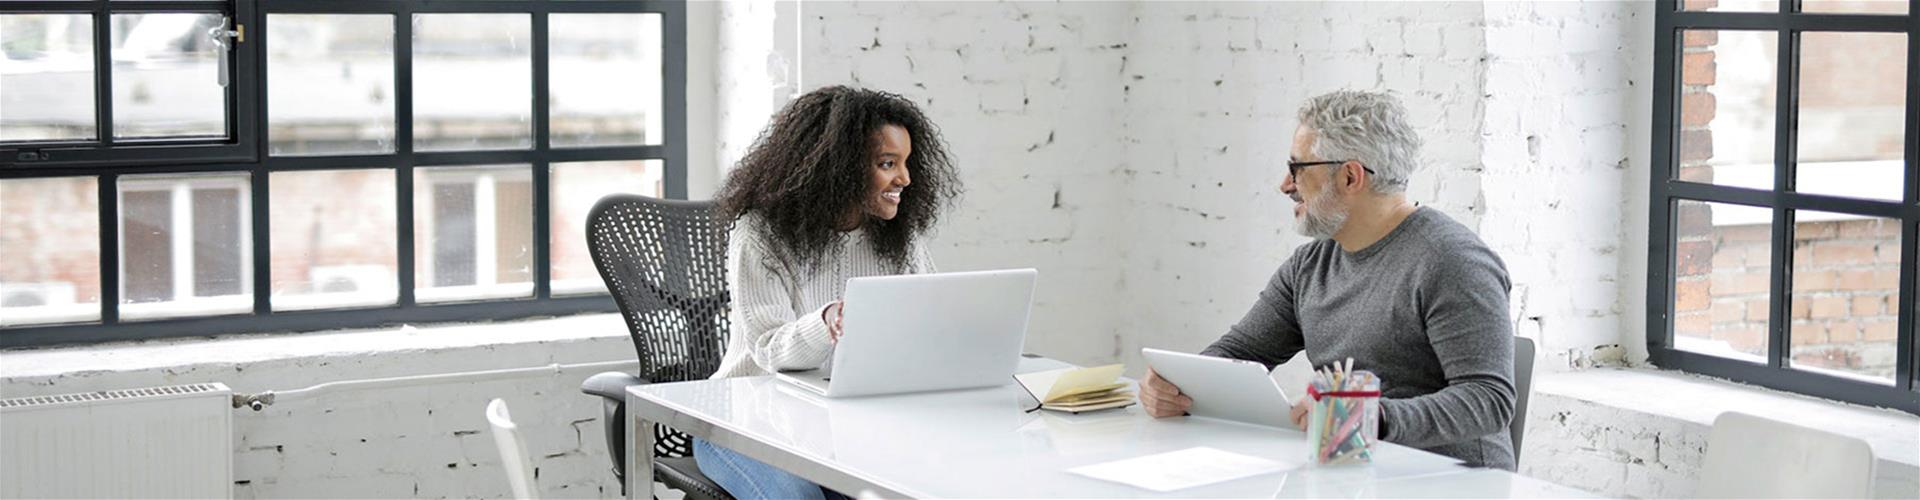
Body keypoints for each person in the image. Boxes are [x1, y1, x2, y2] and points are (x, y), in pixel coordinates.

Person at [1138, 90, 1519, 470]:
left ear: (1351, 176)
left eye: (1297, 169)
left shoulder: (1452, 261)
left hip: (1450, 482)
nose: (1285, 185)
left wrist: (1373, 418)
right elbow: (1240, 352)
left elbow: (1489, 399)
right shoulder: (1310, 266)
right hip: (1350, 473)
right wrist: (1177, 388)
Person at [699, 85, 961, 499]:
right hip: (741, 422)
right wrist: (826, 324)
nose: (905, 179)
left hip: (839, 426)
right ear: (838, 168)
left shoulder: (900, 238)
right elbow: (767, 348)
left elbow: (929, 325)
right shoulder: (760, 233)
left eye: (906, 163)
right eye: (887, 163)